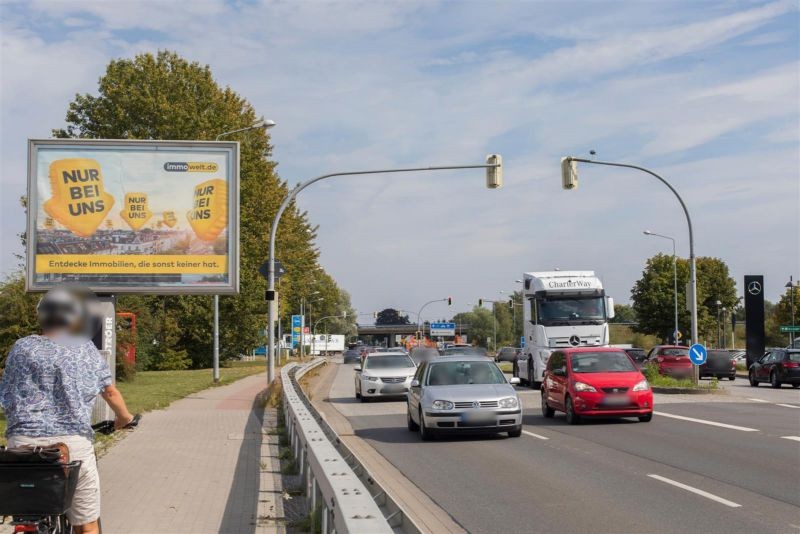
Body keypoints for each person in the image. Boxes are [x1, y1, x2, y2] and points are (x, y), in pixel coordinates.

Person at [0, 287, 134, 534]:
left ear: (42, 316)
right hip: (71, 446)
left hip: (23, 444)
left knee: (27, 516)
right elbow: (110, 392)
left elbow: (6, 394)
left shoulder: (21, 347)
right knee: (87, 525)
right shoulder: (83, 348)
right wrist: (124, 418)